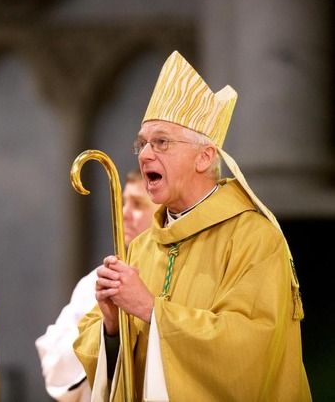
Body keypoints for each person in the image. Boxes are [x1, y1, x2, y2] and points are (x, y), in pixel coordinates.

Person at [74, 51, 311, 401]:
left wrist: (151, 310)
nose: (144, 154)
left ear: (205, 157)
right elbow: (108, 370)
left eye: (161, 142)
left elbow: (249, 351)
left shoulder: (255, 239)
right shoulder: (141, 248)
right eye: (142, 143)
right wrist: (112, 326)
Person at [35, 170, 158, 402]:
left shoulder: (169, 275)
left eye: (138, 205)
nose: (125, 214)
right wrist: (107, 331)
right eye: (124, 202)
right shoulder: (95, 280)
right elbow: (53, 356)